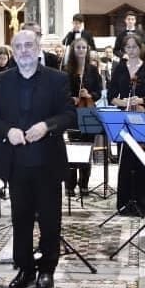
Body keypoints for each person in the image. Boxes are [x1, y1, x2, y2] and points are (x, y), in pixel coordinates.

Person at [0, 29, 76, 288]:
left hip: (47, 160)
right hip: (16, 162)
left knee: (49, 219)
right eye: (19, 46)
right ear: (13, 51)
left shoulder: (57, 79)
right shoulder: (2, 80)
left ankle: (47, 269)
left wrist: (47, 126)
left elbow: (69, 115)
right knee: (20, 219)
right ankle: (25, 269)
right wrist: (7, 131)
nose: (24, 50)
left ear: (38, 49)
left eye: (29, 45)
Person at [107, 33, 145, 216]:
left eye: (134, 47)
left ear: (141, 48)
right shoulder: (119, 69)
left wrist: (141, 100)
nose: (131, 50)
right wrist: (125, 103)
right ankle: (124, 204)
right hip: (124, 121)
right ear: (124, 49)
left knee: (141, 164)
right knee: (125, 163)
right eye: (128, 47)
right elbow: (111, 97)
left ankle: (141, 204)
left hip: (144, 120)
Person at [64, 37, 102, 197]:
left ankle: (84, 183)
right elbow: (61, 92)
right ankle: (70, 185)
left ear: (87, 50)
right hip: (73, 112)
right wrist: (71, 98)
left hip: (89, 111)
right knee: (72, 150)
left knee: (87, 149)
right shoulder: (66, 70)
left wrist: (89, 94)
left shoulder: (93, 70)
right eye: (78, 47)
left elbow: (99, 92)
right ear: (73, 50)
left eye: (84, 48)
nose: (81, 50)